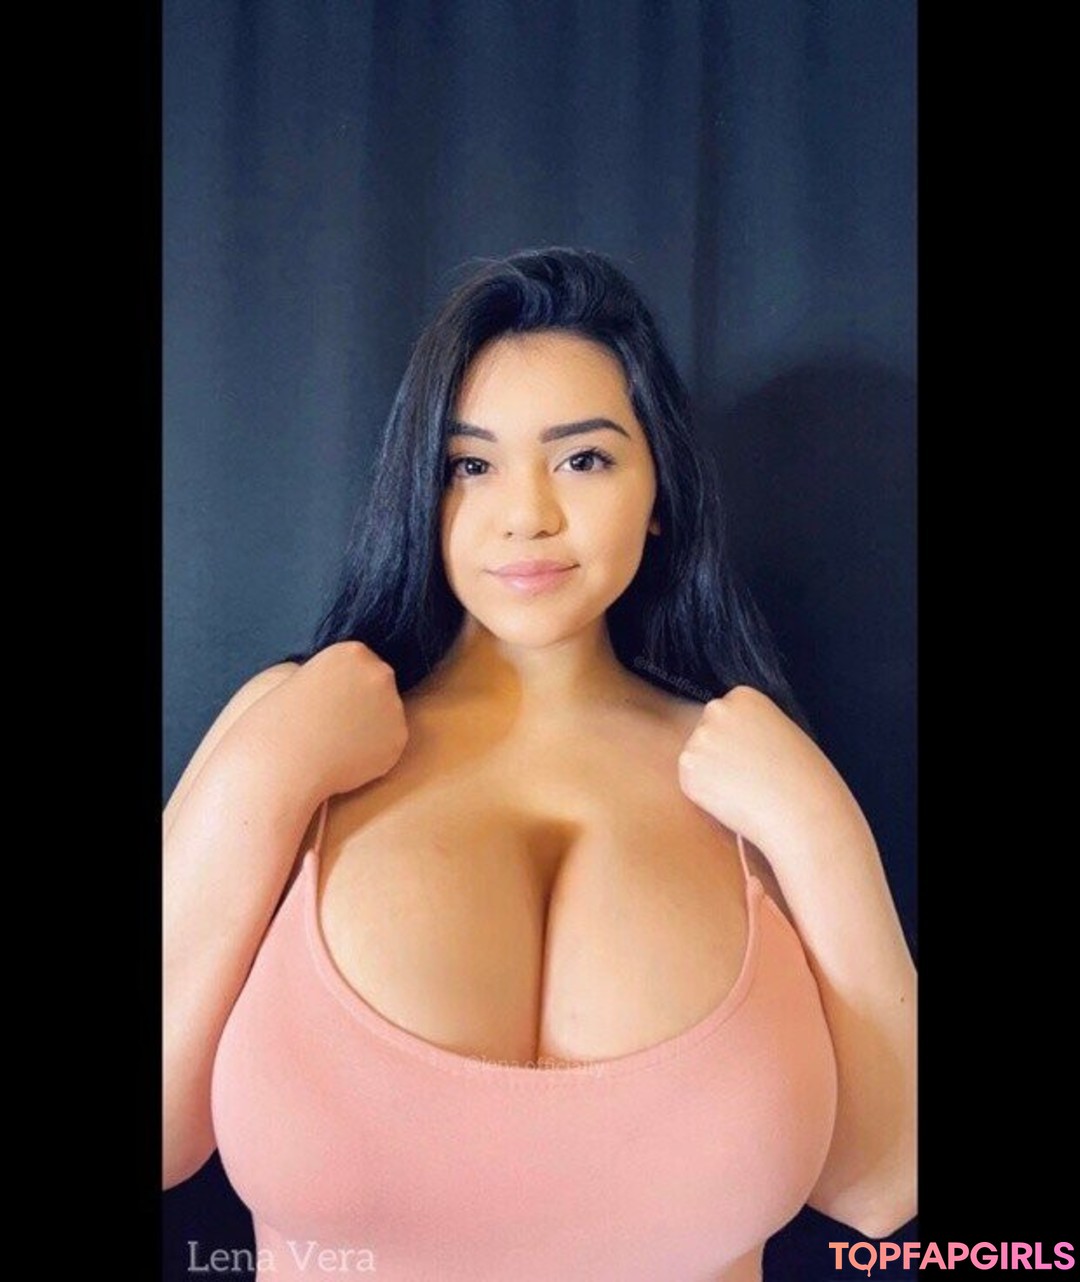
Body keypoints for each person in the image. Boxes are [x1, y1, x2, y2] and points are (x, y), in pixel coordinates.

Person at [164, 246, 916, 1280]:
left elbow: (882, 1190)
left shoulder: (759, 783)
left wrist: (824, 829)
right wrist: (260, 776)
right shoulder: (288, 737)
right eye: (470, 465)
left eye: (583, 460)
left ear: (660, 490)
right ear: (420, 491)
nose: (526, 513)